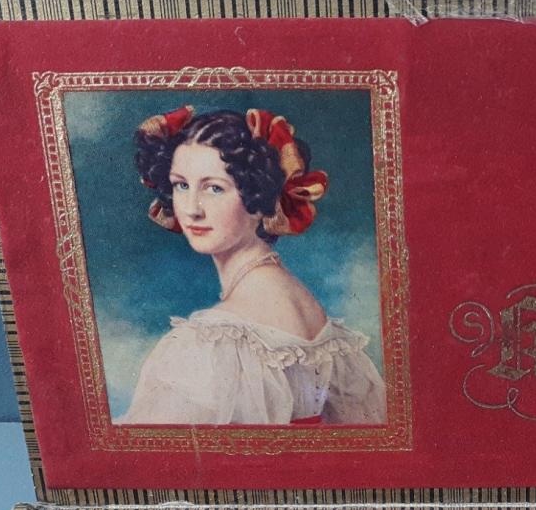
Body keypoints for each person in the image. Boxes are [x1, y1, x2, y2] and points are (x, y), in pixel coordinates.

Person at [116, 105, 386, 426]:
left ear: (259, 198)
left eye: (214, 188)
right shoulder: (296, 297)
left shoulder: (211, 342)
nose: (191, 209)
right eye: (181, 185)